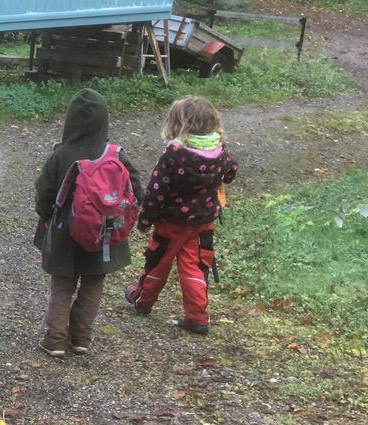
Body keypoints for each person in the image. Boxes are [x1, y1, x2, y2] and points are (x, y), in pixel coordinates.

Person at [33, 89, 143, 358]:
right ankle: (81, 338)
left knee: (63, 285)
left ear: (70, 120)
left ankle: (55, 339)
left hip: (65, 235)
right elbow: (137, 191)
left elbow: (44, 193)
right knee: (93, 284)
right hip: (103, 235)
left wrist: (46, 216)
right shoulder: (115, 155)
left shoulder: (61, 154)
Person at [125, 95, 238, 334]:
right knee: (195, 266)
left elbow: (157, 190)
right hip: (203, 221)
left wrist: (145, 219)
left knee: (158, 262)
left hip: (171, 223)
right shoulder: (219, 151)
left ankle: (142, 301)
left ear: (178, 124)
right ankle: (197, 317)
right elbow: (230, 172)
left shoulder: (174, 154)